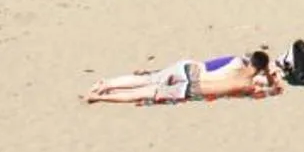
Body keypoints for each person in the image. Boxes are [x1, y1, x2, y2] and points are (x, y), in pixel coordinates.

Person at [85, 49, 283, 104]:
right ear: (261, 70)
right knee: (144, 93)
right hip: (190, 88)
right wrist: (270, 76)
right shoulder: (247, 85)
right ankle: (100, 96)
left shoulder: (235, 62)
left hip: (190, 70)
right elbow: (272, 91)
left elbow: (212, 64)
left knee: (148, 79)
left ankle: (106, 84)